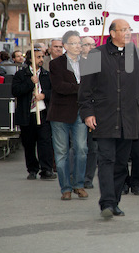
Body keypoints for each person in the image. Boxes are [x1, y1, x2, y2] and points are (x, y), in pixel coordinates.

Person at [79, 19, 139, 219]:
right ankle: (106, 202)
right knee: (106, 160)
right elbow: (85, 90)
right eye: (123, 30)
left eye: (129, 29)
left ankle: (114, 203)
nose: (127, 33)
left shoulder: (138, 56)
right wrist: (88, 113)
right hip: (104, 117)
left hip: (130, 118)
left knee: (122, 163)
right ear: (112, 33)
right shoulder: (96, 55)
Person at [47, 30, 88, 201]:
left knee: (82, 149)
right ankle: (66, 187)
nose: (78, 46)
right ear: (65, 46)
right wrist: (80, 88)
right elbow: (59, 87)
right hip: (60, 113)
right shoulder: (56, 64)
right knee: (62, 152)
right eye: (74, 43)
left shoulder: (88, 63)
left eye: (79, 43)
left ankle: (79, 184)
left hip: (81, 112)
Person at [12, 48, 55, 180]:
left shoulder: (46, 75)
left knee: (45, 142)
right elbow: (16, 91)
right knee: (29, 143)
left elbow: (53, 92)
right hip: (27, 113)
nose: (41, 59)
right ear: (31, 59)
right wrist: (31, 82)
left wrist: (43, 95)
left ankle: (46, 169)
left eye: (42, 57)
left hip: (42, 113)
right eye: (38, 57)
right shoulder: (21, 75)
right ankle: (32, 169)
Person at [80, 36, 98, 189]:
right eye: (88, 45)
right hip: (77, 111)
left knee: (93, 148)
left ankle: (88, 178)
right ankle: (76, 175)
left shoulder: (99, 64)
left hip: (95, 110)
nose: (91, 48)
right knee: (78, 147)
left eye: (94, 45)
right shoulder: (75, 63)